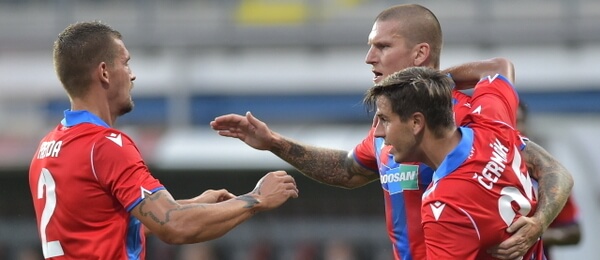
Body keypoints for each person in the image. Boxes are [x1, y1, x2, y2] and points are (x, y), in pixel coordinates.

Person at [210, 4, 573, 260]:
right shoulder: (391, 125)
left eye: (382, 46)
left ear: (420, 54)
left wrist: (538, 223)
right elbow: (350, 169)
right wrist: (274, 143)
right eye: (370, 46)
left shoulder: (458, 119)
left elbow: (551, 169)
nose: (370, 57)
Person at [28, 21, 299, 260]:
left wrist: (194, 205)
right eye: (125, 62)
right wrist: (257, 198)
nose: (132, 75)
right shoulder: (105, 145)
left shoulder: (47, 148)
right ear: (104, 72)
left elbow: (108, 223)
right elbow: (174, 225)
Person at [363, 64, 566, 259]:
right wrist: (429, 83)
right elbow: (498, 66)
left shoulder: (445, 204)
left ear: (416, 123)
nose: (379, 132)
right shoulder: (491, 124)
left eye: (385, 120)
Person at [517, 102, 582, 259]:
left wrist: (535, 232)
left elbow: (574, 232)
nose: (514, 129)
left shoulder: (545, 174)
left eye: (518, 121)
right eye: (507, 121)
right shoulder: (476, 170)